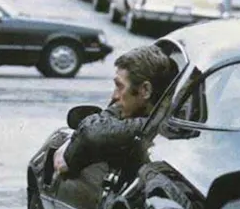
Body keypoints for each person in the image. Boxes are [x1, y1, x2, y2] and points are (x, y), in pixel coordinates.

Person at [54, 45, 178, 176]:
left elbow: (92, 132)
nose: (115, 95)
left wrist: (70, 147)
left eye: (120, 86)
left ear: (145, 90)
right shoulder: (153, 118)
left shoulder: (157, 126)